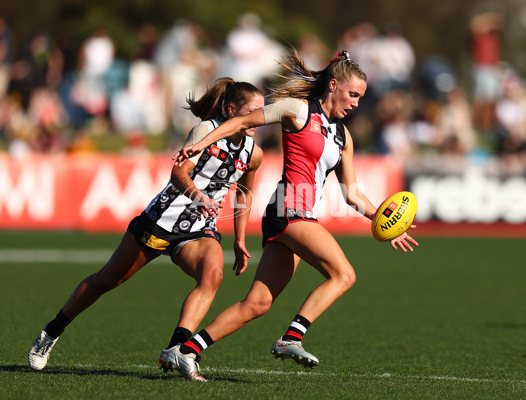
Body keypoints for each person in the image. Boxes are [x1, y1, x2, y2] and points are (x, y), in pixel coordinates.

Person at [170, 49, 419, 381]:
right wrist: (202, 143)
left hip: (299, 214)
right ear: (333, 85)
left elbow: (352, 193)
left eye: (361, 97)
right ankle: (292, 338)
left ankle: (186, 351)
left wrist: (385, 221)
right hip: (289, 209)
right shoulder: (298, 110)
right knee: (344, 275)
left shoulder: (344, 136)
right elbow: (243, 121)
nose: (357, 103)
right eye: (353, 94)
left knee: (257, 305)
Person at [27, 78, 265, 371]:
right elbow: (178, 174)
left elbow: (245, 194)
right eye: (253, 111)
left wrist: (240, 240)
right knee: (107, 280)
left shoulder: (253, 153)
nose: (260, 118)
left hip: (198, 228)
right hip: (161, 221)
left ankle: (176, 349)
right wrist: (198, 196)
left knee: (212, 274)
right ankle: (51, 332)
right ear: (230, 109)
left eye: (262, 111)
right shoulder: (206, 131)